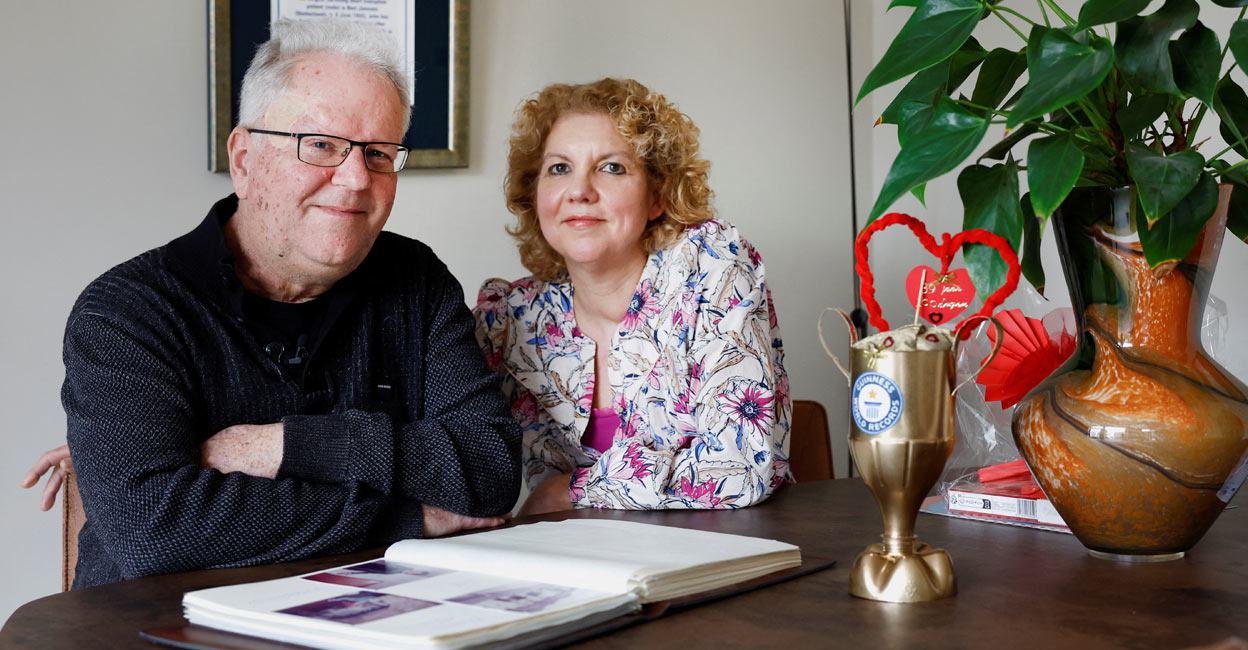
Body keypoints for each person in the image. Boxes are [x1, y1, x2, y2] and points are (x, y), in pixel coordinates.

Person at [20, 18, 520, 589]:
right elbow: (153, 529)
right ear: (244, 158)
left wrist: (278, 446)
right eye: (322, 146)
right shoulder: (129, 312)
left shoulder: (416, 281)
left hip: (374, 621)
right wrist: (407, 517)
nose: (356, 178)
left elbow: (488, 471)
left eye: (379, 153)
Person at [473, 78, 791, 514]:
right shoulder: (511, 318)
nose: (580, 190)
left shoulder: (711, 273)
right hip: (582, 567)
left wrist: (570, 490)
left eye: (612, 167)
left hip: (728, 552)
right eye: (559, 168)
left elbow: (739, 470)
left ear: (655, 197)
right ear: (536, 195)